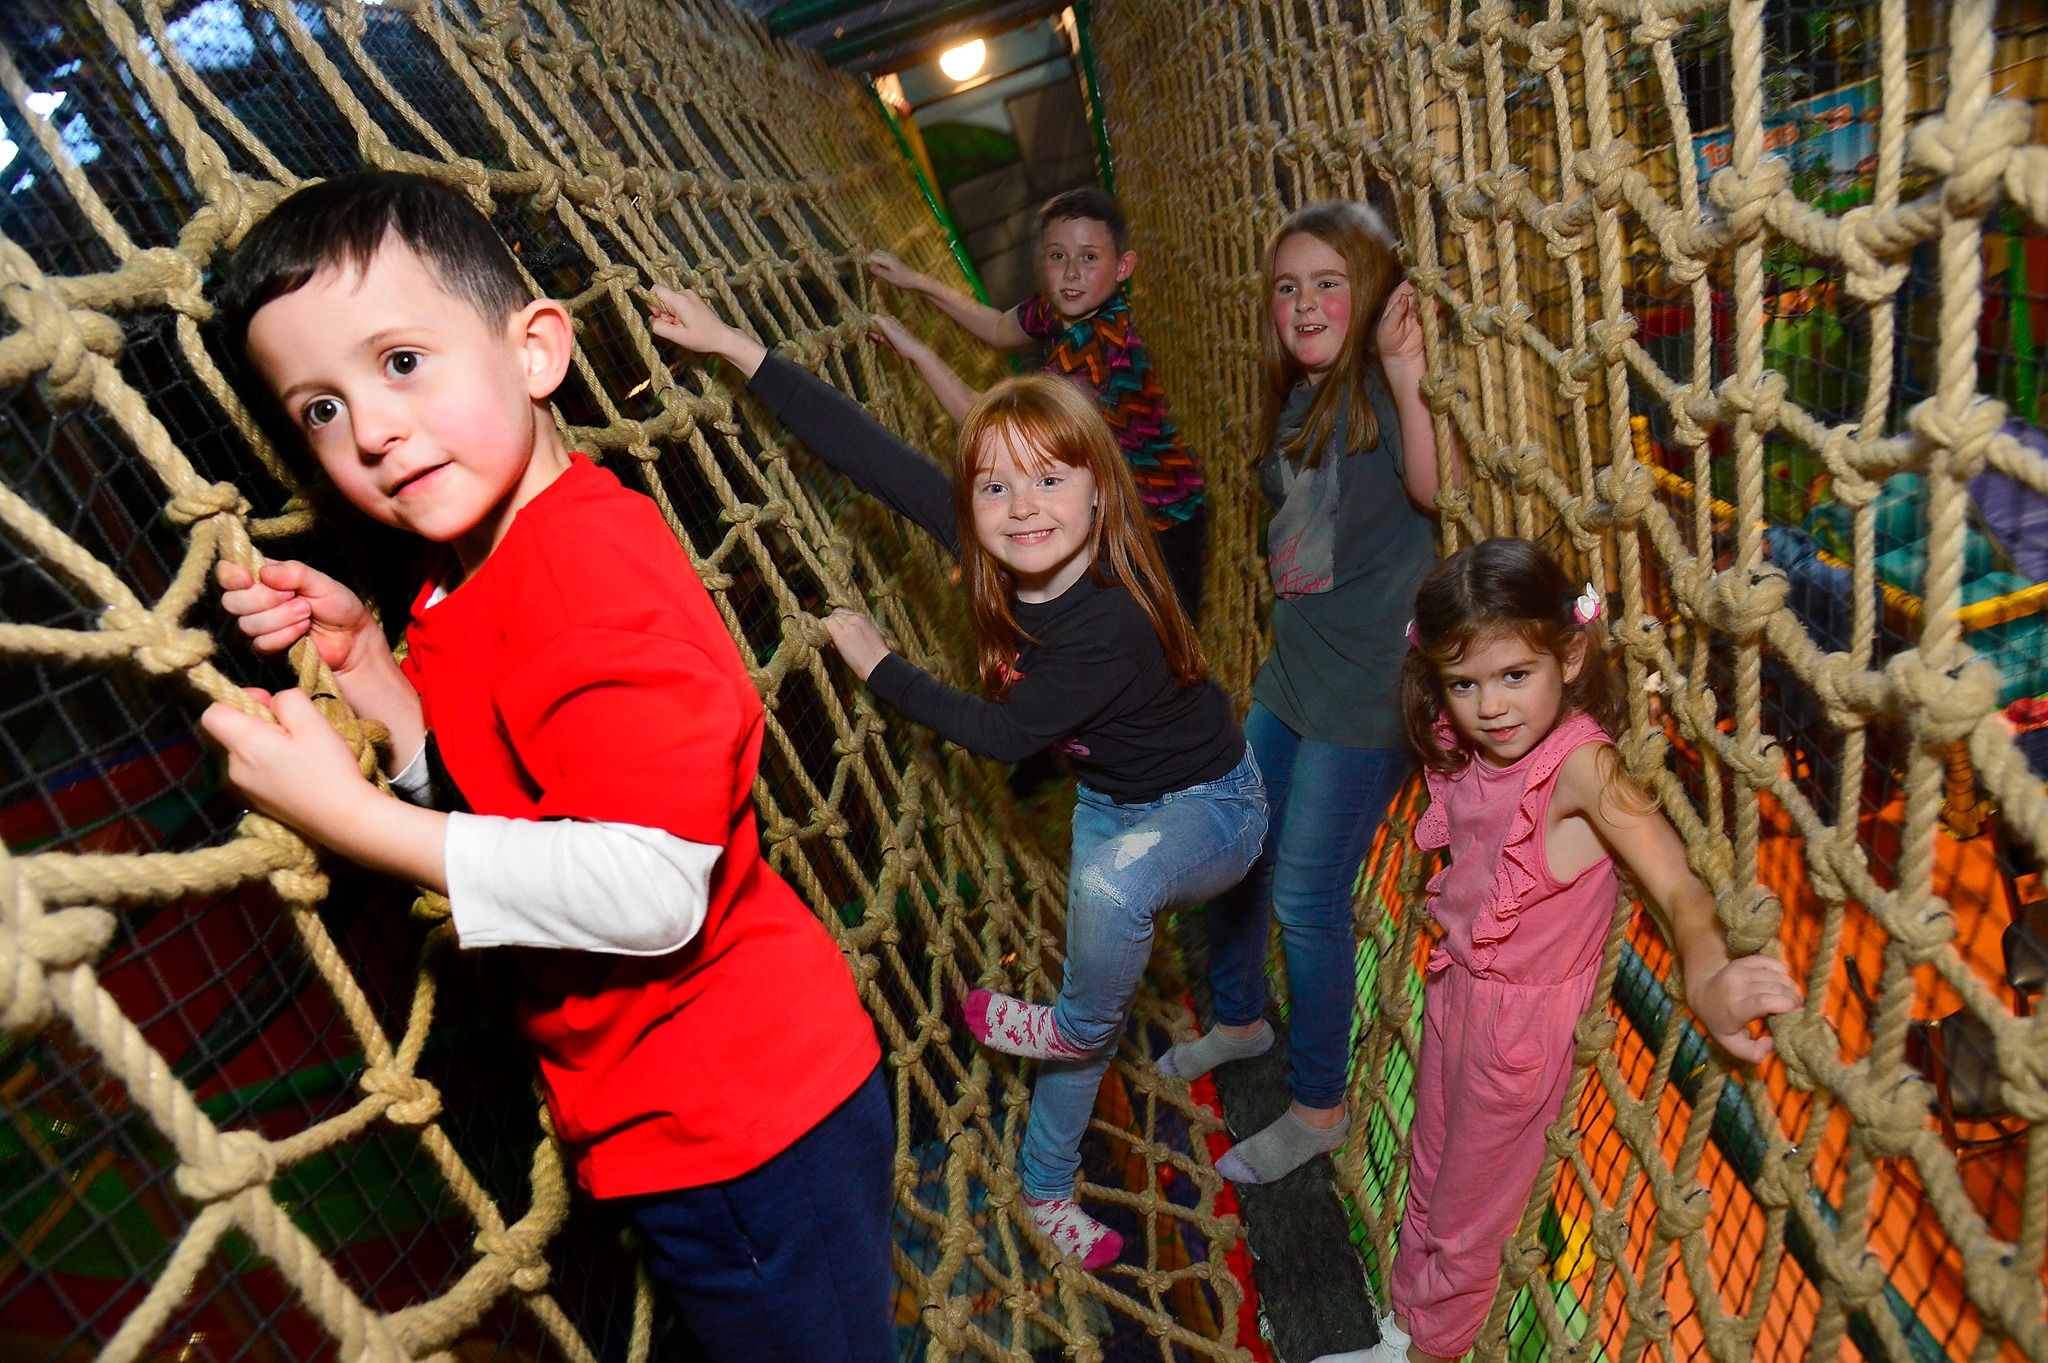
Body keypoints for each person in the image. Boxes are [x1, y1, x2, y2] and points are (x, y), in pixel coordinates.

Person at [198, 172, 891, 1363]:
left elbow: (650, 886)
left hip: (748, 1127)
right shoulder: (460, 583)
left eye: (402, 362)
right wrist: (381, 685)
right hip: (680, 1121)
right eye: (318, 406)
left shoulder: (582, 575)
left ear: (535, 351)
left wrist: (350, 813)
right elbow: (513, 806)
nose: (368, 429)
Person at [646, 285, 1265, 1270]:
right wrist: (732, 345)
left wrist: (877, 665)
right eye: (992, 488)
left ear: (1099, 492)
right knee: (1086, 1028)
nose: (1022, 510)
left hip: (1212, 816)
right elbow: (865, 452)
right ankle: (1044, 1185)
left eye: (1050, 483)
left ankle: (1062, 1023)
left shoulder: (1104, 619)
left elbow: (1001, 733)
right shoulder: (994, 554)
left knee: (1091, 957)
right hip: (1113, 809)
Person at [1366, 537, 1803, 1363]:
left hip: (1518, 1031)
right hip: (1455, 987)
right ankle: (1400, 1330)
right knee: (1426, 1167)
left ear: (1569, 656)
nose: (1491, 706)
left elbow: (1679, 885)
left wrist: (1706, 970)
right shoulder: (1470, 745)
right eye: (1465, 684)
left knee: (1469, 1211)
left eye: (1514, 676)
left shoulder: (1583, 769)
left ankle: (1432, 1352)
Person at [1157, 200, 1446, 1186]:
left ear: (1367, 292)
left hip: (1365, 692)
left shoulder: (1372, 387)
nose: (1305, 302)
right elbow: (1294, 550)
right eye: (1287, 287)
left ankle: (1318, 1104)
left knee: (1304, 894)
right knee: (1229, 846)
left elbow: (1433, 489)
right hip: (1294, 670)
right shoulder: (1298, 398)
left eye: (1329, 282)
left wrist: (1405, 369)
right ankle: (1239, 1019)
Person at [867, 187, 1208, 620]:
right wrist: (915, 281)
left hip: (1164, 523)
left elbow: (999, 429)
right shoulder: (1063, 307)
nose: (1070, 273)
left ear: (1123, 267)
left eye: (1089, 258)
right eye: (1056, 256)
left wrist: (917, 352)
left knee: (1161, 651)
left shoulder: (1096, 346)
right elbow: (996, 327)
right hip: (1127, 509)